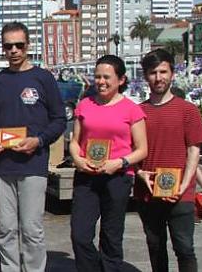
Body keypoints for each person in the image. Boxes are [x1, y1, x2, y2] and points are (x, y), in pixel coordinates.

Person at [0, 22, 65, 272]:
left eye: (19, 45)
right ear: (3, 48)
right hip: (1, 166)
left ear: (28, 45)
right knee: (6, 229)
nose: (14, 50)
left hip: (33, 165)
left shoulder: (43, 78)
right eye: (8, 46)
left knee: (32, 229)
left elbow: (59, 119)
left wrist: (38, 140)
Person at [68, 55, 148, 271]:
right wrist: (77, 159)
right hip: (87, 175)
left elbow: (142, 149)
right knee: (80, 235)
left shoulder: (131, 109)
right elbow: (75, 142)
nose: (101, 82)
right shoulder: (84, 105)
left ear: (121, 80)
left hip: (117, 177)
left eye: (106, 77)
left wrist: (119, 163)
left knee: (111, 238)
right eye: (97, 77)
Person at [135, 49, 202, 272]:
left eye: (163, 71)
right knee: (155, 248)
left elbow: (194, 150)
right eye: (153, 72)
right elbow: (129, 150)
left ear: (172, 74)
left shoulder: (188, 110)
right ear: (146, 76)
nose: (159, 77)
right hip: (147, 193)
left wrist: (186, 184)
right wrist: (139, 173)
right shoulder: (138, 112)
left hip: (181, 194)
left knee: (184, 249)